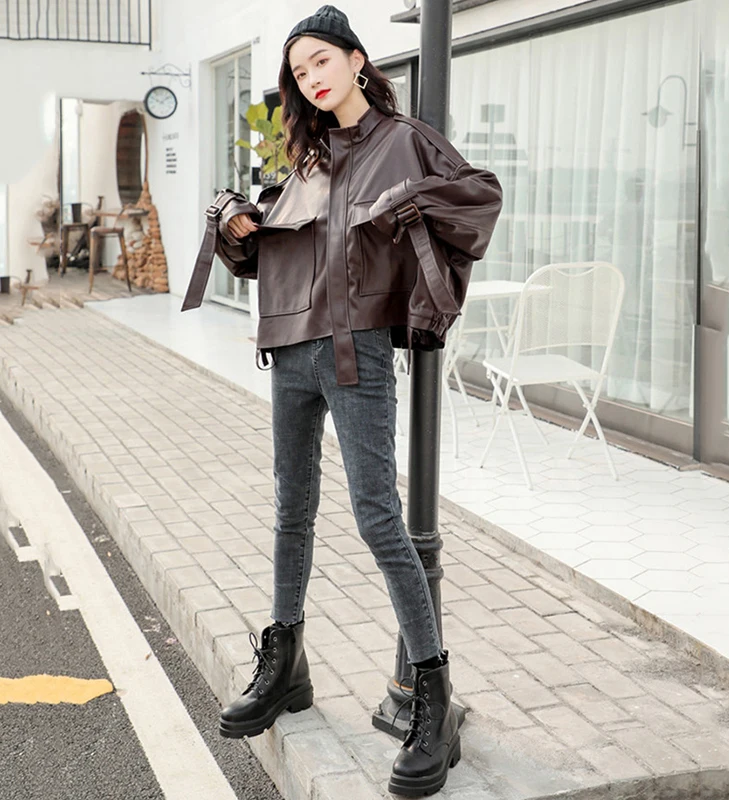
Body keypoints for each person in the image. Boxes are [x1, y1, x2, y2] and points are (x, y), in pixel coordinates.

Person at [182, 6, 501, 796]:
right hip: (290, 349)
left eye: (320, 61)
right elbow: (274, 252)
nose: (311, 79)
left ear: (357, 60)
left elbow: (478, 199)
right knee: (290, 510)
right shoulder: (307, 159)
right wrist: (239, 223)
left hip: (357, 352)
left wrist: (413, 207)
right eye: (299, 72)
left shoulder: (405, 140)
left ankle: (431, 695)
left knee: (377, 518)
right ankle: (285, 662)